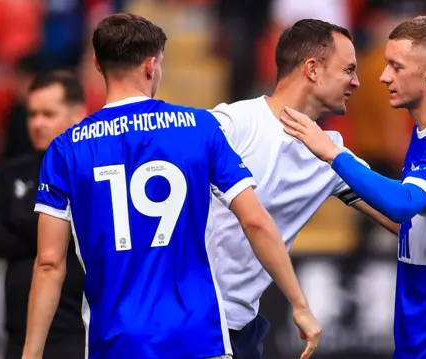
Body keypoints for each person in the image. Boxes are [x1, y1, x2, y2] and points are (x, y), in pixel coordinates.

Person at [206, 18, 426, 359]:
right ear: (313, 69)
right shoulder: (233, 123)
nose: (369, 79)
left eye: (394, 66)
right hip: (201, 315)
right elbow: (415, 218)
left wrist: (331, 153)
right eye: (350, 69)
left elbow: (400, 206)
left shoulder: (337, 150)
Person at [20, 13, 320, 359]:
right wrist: (299, 305)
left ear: (97, 65)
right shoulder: (200, 128)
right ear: (151, 66)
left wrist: (31, 353)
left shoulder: (66, 149)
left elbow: (49, 263)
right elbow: (255, 221)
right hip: (198, 338)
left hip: (117, 341)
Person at [0, 70, 87, 359]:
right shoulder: (14, 171)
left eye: (48, 114)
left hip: (76, 333)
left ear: (77, 115)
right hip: (18, 334)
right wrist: (53, 233)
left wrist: (20, 222)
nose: (37, 124)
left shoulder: (91, 173)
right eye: (32, 114)